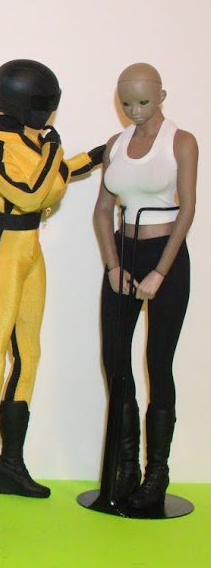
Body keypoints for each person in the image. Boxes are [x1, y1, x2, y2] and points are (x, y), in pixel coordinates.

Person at [0, 60, 101, 534]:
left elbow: (58, 175)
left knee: (27, 356)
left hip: (30, 249)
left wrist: (100, 155)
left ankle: (10, 465)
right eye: (43, 104)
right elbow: (32, 193)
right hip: (3, 250)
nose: (49, 113)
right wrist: (55, 149)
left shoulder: (34, 142)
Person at [94, 63, 197, 510]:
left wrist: (160, 272)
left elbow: (188, 210)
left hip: (165, 255)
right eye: (126, 103)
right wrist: (113, 265)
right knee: (115, 359)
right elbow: (103, 210)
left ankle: (157, 474)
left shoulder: (181, 141)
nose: (134, 110)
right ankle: (126, 466)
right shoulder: (116, 145)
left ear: (161, 96)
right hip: (124, 254)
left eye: (143, 101)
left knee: (159, 362)